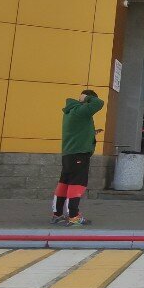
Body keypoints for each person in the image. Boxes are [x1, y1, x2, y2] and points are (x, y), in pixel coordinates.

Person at [51, 90, 104, 226]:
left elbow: (77, 131)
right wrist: (86, 98)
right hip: (79, 154)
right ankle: (73, 216)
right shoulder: (80, 110)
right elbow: (99, 103)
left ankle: (57, 214)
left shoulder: (71, 112)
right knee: (77, 184)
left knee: (64, 183)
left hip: (69, 154)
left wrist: (91, 133)